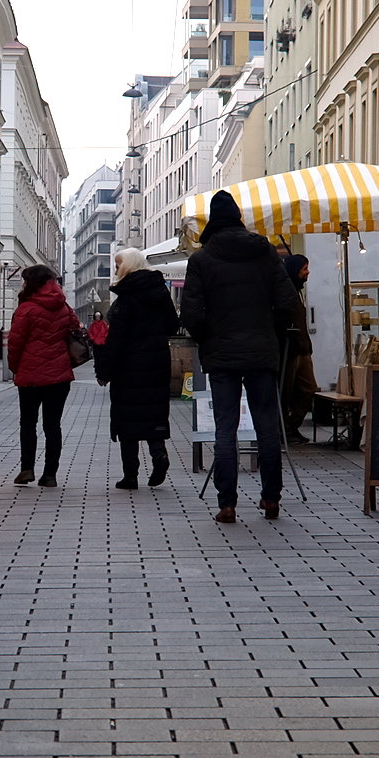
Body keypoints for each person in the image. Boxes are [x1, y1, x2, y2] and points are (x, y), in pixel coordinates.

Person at [180, 190, 295, 523]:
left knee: (225, 428)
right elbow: (287, 302)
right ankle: (271, 498)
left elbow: (191, 312)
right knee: (267, 427)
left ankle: (227, 504)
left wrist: (209, 338)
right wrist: (269, 332)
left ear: (212, 222)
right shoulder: (266, 253)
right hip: (261, 350)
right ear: (239, 218)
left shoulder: (201, 260)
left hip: (222, 353)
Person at [95, 248, 176, 488]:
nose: (116, 268)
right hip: (157, 362)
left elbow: (116, 340)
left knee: (127, 417)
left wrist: (104, 372)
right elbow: (172, 324)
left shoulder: (126, 296)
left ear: (129, 266)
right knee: (153, 413)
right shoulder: (160, 291)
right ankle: (159, 455)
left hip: (128, 366)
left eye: (119, 264)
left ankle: (130, 475)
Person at [5, 263, 80, 487]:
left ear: (32, 284)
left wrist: (15, 367)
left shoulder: (26, 309)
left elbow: (15, 344)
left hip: (30, 376)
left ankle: (27, 469)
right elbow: (75, 331)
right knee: (53, 425)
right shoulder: (64, 307)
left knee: (28, 423)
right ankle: (50, 475)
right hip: (59, 376)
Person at [280, 253, 318, 442]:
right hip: (290, 350)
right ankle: (284, 429)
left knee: (309, 388)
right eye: (304, 269)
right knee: (286, 391)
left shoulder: (296, 291)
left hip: (302, 349)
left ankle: (291, 425)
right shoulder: (285, 292)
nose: (307, 272)